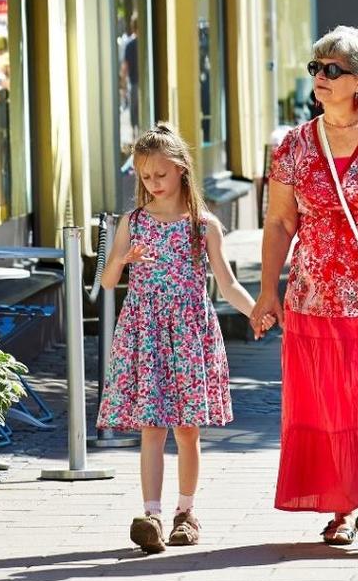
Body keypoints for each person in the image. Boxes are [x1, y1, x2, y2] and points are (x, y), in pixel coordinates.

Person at [251, 27, 358, 554]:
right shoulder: (293, 146)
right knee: (330, 409)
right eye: (316, 68)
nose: (320, 78)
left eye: (332, 70)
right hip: (313, 299)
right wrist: (267, 292)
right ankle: (340, 509)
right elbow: (279, 223)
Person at [98, 122, 259, 555]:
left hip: (189, 333)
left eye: (160, 176)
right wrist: (125, 260)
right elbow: (108, 282)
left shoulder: (203, 226)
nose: (153, 184)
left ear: (182, 171)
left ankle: (185, 513)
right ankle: (150, 513)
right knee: (151, 427)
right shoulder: (132, 223)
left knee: (187, 429)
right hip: (146, 331)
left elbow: (226, 285)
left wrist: (259, 312)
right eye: (145, 177)